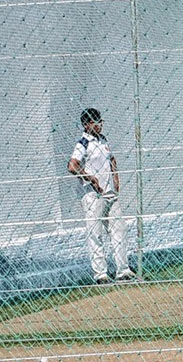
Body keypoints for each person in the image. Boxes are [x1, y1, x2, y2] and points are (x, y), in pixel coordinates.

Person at [67, 108, 135, 283]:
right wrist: (90, 178)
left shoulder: (103, 140)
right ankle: (101, 274)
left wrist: (116, 179)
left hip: (110, 193)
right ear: (86, 125)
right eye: (95, 122)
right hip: (93, 195)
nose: (99, 125)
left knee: (119, 229)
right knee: (95, 233)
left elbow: (111, 159)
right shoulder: (83, 143)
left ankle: (123, 270)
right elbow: (72, 166)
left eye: (100, 121)